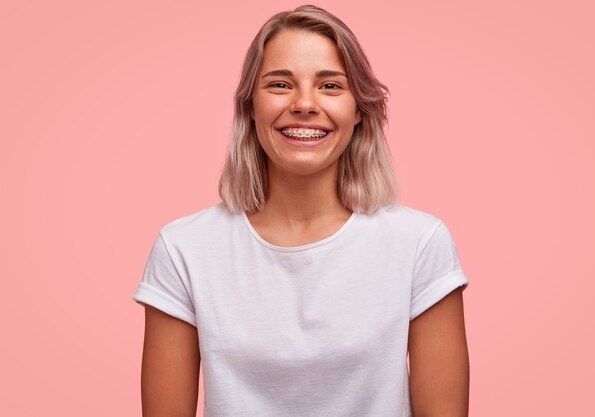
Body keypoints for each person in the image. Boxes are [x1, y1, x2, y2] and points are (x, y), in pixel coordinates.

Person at [132, 4, 470, 416]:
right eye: (279, 84)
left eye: (330, 86)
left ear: (359, 110)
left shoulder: (419, 244)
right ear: (249, 106)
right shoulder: (183, 249)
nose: (305, 103)